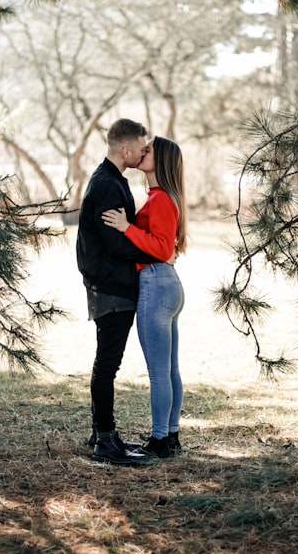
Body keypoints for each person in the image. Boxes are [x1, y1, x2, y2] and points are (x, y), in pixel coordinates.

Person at [76, 118, 158, 466]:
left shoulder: (109, 179)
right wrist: (156, 251)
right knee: (107, 365)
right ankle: (106, 441)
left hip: (109, 282)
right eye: (141, 146)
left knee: (106, 363)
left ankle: (101, 432)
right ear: (126, 150)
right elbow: (116, 243)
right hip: (111, 285)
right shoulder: (108, 185)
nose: (144, 151)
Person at [102, 136, 186, 459]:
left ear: (160, 161)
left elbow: (163, 249)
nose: (143, 151)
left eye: (149, 149)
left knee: (159, 372)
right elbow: (165, 245)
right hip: (167, 285)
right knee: (170, 369)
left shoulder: (162, 199)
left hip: (156, 284)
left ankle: (160, 440)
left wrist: (126, 227)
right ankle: (171, 434)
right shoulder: (159, 198)